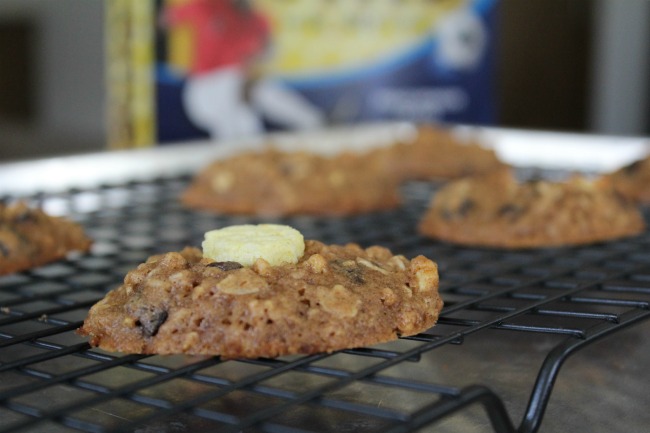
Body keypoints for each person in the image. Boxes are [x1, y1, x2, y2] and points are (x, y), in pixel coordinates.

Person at [162, 0, 324, 140]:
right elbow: (165, 19)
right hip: (204, 91)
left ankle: (316, 123)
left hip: (239, 89)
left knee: (262, 96)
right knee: (238, 100)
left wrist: (253, 71)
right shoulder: (208, 7)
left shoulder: (259, 21)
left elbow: (267, 56)